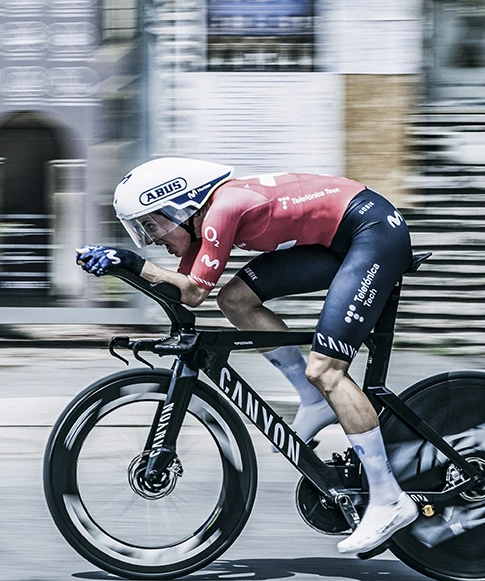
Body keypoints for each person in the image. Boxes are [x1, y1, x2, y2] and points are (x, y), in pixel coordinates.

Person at [76, 157, 418, 554]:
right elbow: (185, 291)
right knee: (236, 300)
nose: (150, 239)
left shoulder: (223, 209)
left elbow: (191, 293)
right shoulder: (203, 220)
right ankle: (312, 403)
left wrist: (136, 264)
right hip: (337, 239)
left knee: (327, 371)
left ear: (181, 207)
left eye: (150, 225)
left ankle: (390, 499)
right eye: (140, 231)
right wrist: (126, 267)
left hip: (373, 231)